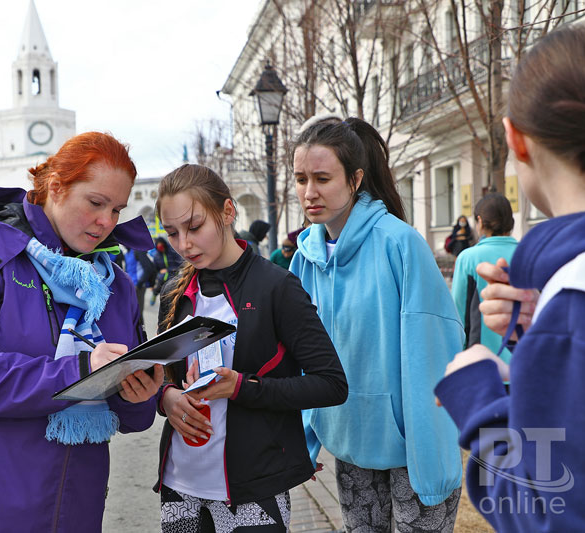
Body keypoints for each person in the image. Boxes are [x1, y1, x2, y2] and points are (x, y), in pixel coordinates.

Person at [0, 132, 165, 532]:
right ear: (56, 188)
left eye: (117, 209)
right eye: (96, 203)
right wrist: (78, 372)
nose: (107, 221)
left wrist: (140, 396)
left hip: (75, 509)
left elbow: (129, 417)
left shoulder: (114, 283)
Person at [435, 27, 585, 531]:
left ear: (515, 141)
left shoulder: (577, 305)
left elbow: (544, 510)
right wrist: (539, 338)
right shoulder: (567, 303)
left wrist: (477, 396)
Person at [289, 116, 464, 532]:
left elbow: (431, 354)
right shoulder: (304, 259)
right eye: (300, 179)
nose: (309, 192)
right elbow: (303, 360)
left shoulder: (399, 243)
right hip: (349, 445)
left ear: (355, 180)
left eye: (322, 178)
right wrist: (303, 439)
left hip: (414, 453)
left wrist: (432, 461)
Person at [153, 164, 348, 532]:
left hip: (255, 488)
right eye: (172, 232)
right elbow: (157, 376)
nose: (183, 244)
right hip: (180, 487)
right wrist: (166, 398)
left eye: (194, 227)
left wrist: (243, 387)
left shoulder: (277, 287)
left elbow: (332, 383)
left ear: (228, 212)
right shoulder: (173, 293)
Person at [450, 193, 518, 362]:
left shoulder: (468, 258)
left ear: (479, 221)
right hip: (524, 363)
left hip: (482, 362)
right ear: (511, 222)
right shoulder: (528, 253)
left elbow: (459, 311)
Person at [151, 236, 182, 303]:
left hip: (173, 276)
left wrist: (168, 270)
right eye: (158, 247)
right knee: (159, 290)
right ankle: (154, 295)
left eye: (161, 246)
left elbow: (180, 263)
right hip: (162, 277)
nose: (160, 248)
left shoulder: (173, 252)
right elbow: (155, 268)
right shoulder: (156, 256)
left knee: (172, 294)